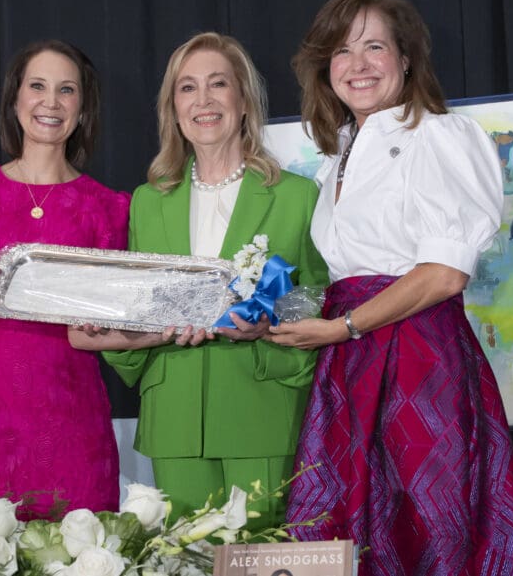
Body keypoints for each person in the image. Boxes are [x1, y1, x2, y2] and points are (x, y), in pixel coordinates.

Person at [269, 0, 513, 576]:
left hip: (419, 357)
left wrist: (342, 326)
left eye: (374, 47)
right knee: (348, 533)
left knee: (427, 527)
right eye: (342, 50)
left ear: (407, 59)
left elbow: (443, 273)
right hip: (350, 360)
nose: (357, 64)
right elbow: (349, 273)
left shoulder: (440, 134)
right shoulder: (336, 154)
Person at [69, 32, 327, 526]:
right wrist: (110, 334)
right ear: (173, 108)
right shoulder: (148, 201)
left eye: (218, 84)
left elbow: (319, 301)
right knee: (183, 560)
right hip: (175, 415)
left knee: (264, 558)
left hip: (262, 407)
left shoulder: (297, 196)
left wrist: (266, 327)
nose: (203, 100)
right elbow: (137, 313)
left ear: (244, 100)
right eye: (187, 88)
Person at [0, 40, 129, 535]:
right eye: (37, 86)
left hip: (73, 420)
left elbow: (113, 322)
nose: (51, 101)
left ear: (82, 110)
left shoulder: (108, 209)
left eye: (67, 90)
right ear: (15, 99)